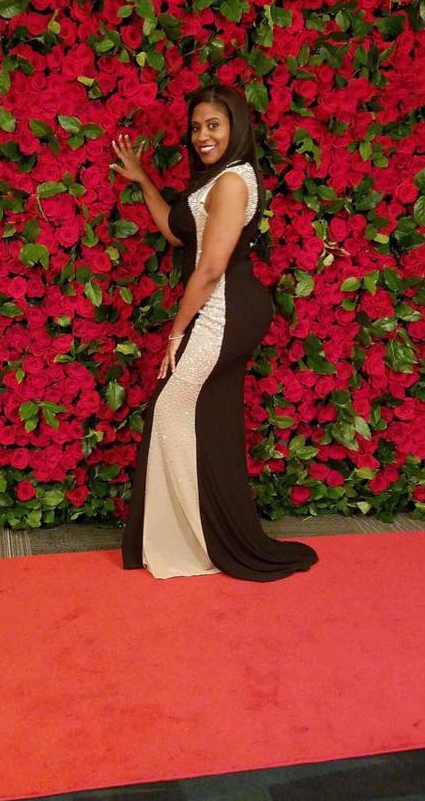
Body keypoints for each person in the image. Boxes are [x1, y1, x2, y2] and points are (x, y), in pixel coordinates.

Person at [111, 82, 319, 581]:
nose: (202, 135)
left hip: (224, 310)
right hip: (221, 307)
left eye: (214, 125)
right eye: (196, 127)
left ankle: (202, 541)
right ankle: (198, 535)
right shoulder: (216, 180)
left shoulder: (232, 182)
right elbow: (175, 231)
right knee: (206, 417)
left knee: (171, 406)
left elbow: (209, 269)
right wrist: (143, 179)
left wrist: (175, 334)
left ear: (236, 127)